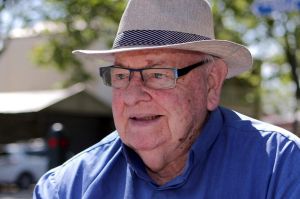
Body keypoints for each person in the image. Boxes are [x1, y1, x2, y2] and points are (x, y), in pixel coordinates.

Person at [33, 0, 300, 198]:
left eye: (158, 74)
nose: (134, 96)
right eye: (122, 75)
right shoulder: (67, 188)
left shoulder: (281, 167)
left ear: (211, 83)